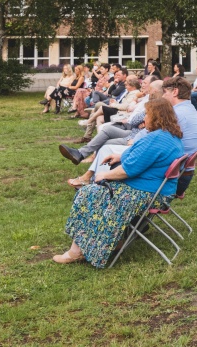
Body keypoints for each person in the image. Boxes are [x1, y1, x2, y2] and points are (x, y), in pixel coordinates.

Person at [53, 98, 185, 266]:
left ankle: (77, 251)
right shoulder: (170, 136)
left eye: (147, 115)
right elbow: (142, 158)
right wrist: (120, 156)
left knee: (88, 194)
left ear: (157, 117)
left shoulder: (155, 139)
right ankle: (109, 241)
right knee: (96, 193)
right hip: (159, 191)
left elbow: (128, 170)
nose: (144, 119)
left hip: (147, 193)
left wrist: (104, 176)